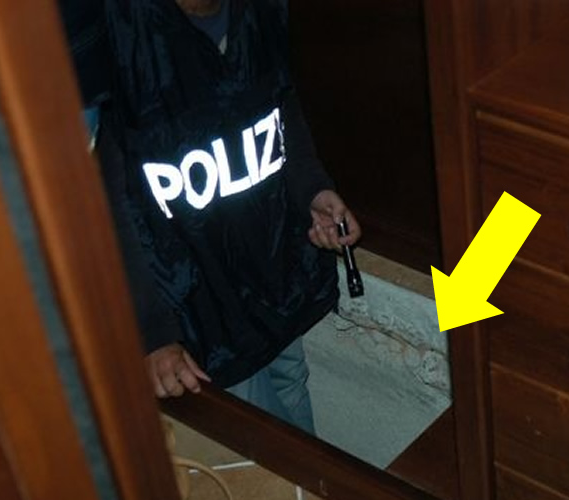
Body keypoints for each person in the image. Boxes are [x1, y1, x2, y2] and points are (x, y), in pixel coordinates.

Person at [69, 0, 361, 435]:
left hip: (274, 268)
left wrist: (312, 190)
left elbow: (280, 104)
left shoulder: (258, 12)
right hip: (198, 300)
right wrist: (151, 329)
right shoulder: (121, 34)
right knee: (259, 434)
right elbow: (107, 202)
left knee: (292, 385)